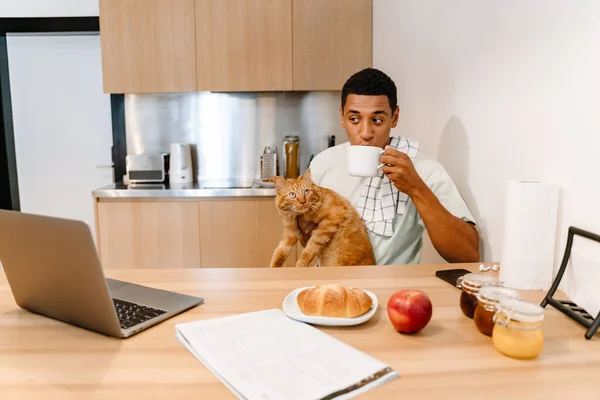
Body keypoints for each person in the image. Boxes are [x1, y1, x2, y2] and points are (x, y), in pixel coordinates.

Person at [299, 67, 480, 265]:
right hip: (332, 287)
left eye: (377, 120)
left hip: (393, 290)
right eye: (354, 119)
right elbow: (308, 240)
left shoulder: (422, 170)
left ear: (394, 117)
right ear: (341, 116)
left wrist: (416, 188)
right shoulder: (323, 163)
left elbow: (468, 254)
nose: (366, 132)